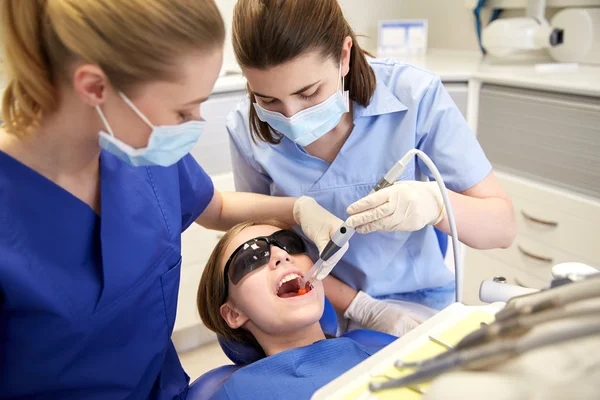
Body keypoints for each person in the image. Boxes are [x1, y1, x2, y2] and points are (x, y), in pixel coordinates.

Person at [0, 1, 345, 398]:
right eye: (183, 112)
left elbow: (213, 207)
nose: (195, 124)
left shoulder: (139, 151)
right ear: (95, 88)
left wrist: (297, 210)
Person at [226, 0, 517, 336]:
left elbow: (503, 227)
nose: (291, 117)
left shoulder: (414, 95)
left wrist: (436, 203)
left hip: (416, 304)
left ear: (344, 55)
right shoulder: (244, 128)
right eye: (267, 100)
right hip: (313, 307)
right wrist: (359, 307)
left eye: (308, 93)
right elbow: (259, 244)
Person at [197, 220, 397, 400]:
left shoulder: (382, 352)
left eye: (290, 244)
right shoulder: (234, 395)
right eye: (253, 257)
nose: (282, 255)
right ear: (234, 313)